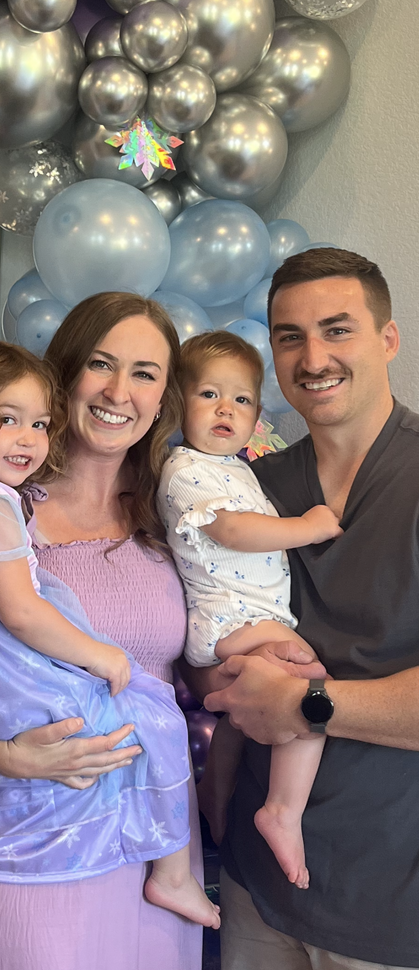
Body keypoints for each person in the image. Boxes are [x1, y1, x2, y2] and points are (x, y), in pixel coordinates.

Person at [0, 292, 206, 970]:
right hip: (12, 835)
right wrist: (2, 757)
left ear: (164, 397)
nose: (118, 391)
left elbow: (206, 654)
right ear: (63, 373)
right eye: (100, 364)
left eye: (144, 373)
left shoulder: (174, 514)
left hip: (149, 838)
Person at [185, 247, 419, 970]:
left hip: (388, 900)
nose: (313, 358)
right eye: (290, 337)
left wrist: (304, 703)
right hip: (255, 889)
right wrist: (220, 681)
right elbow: (199, 627)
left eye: (337, 329)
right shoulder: (250, 485)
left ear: (388, 338)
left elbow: (289, 700)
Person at [157, 330, 340, 889]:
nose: (225, 410)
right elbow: (234, 531)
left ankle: (216, 787)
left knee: (245, 712)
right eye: (209, 394)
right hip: (229, 617)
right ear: (178, 404)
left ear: (257, 415)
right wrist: (307, 527)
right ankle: (282, 809)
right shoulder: (184, 470)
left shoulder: (237, 469)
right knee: (310, 682)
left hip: (249, 616)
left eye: (240, 400)